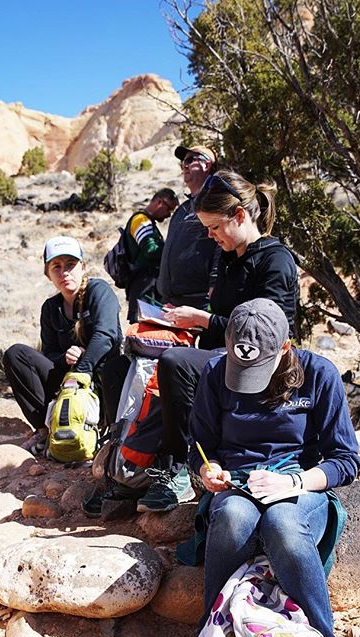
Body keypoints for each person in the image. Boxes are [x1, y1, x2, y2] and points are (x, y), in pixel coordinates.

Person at [188, 298, 360, 637]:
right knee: (233, 518)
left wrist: (293, 483)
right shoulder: (217, 374)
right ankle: (212, 634)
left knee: (283, 524)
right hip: (237, 481)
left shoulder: (319, 375)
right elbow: (198, 448)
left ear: (286, 347)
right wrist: (207, 471)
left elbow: (345, 460)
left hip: (298, 483)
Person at [135, 169, 299, 512]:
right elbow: (224, 321)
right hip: (226, 353)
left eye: (214, 227)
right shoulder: (229, 257)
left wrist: (203, 319)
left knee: (175, 365)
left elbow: (269, 331)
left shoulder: (275, 260)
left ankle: (180, 469)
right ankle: (130, 466)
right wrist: (187, 325)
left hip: (261, 363)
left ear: (239, 216)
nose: (211, 236)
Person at [3, 236, 122, 452]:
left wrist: (83, 367)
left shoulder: (98, 290)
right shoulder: (50, 308)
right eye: (56, 267)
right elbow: (49, 354)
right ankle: (44, 430)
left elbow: (107, 335)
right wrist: (65, 357)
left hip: (101, 380)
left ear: (82, 266)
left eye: (70, 264)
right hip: (66, 380)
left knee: (115, 367)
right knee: (16, 354)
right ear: (47, 274)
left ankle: (108, 432)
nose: (64, 272)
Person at [156, 144, 221, 309]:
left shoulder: (216, 202)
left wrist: (214, 283)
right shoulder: (181, 210)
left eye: (191, 160)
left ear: (207, 165)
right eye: (183, 162)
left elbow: (222, 245)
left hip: (199, 301)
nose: (184, 165)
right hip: (170, 302)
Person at [123, 188, 179, 322]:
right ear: (160, 202)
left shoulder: (148, 222)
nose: (169, 215)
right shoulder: (141, 220)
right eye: (169, 209)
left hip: (146, 285)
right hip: (143, 285)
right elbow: (150, 250)